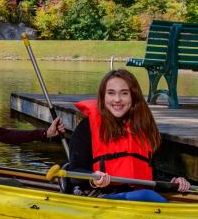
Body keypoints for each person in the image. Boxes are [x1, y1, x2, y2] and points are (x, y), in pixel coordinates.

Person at [70, 69, 190, 201]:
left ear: (133, 96)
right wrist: (93, 179)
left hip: (138, 195)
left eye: (124, 93)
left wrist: (171, 182)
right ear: (103, 96)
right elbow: (75, 172)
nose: (117, 99)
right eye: (111, 93)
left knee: (146, 194)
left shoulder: (143, 128)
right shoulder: (87, 127)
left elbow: (149, 173)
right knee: (147, 195)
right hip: (101, 196)